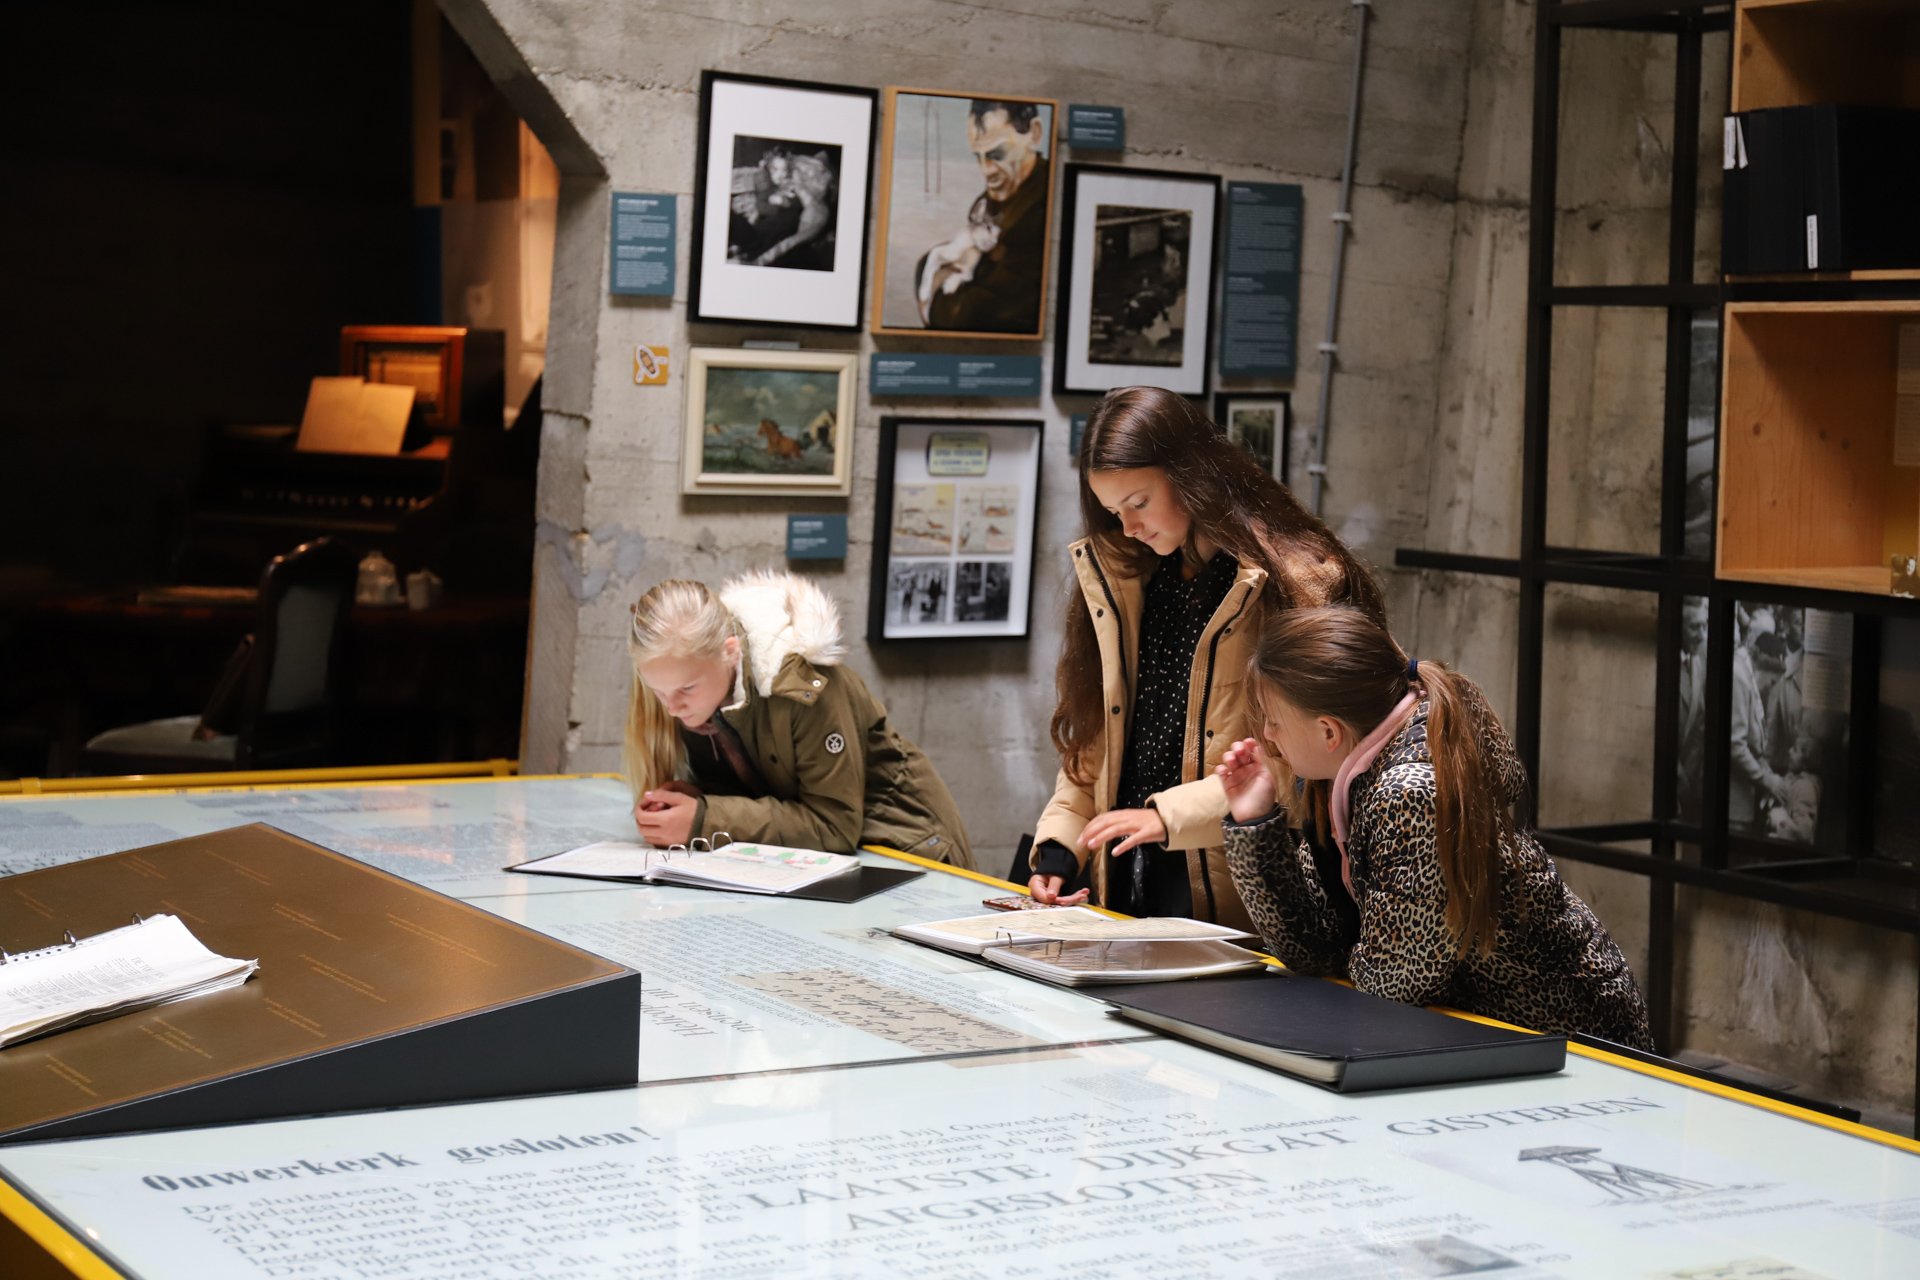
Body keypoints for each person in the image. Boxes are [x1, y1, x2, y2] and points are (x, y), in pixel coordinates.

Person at [1214, 605, 1653, 1048]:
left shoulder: (1409, 794)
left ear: (1329, 732)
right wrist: (1256, 826)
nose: (1268, 735)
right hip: (1491, 1038)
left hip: (1571, 1044)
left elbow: (1394, 984)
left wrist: (1348, 956)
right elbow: (1313, 949)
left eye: (1274, 721)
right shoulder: (1342, 778)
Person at [1028, 386, 1384, 926]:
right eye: (1112, 511)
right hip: (1126, 878)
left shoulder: (1294, 584)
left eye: (1138, 503)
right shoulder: (1125, 575)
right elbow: (1099, 738)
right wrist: (1061, 846)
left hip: (1242, 894)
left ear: (1191, 474)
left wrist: (1167, 816)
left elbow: (1318, 755)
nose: (1128, 527)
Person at [623, 569, 973, 866]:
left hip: (914, 854)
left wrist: (705, 819)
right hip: (832, 865)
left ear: (729, 652)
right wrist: (699, 798)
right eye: (658, 692)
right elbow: (771, 789)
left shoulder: (805, 688)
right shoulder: (695, 686)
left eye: (685, 689)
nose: (672, 707)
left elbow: (834, 825)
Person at [914, 99, 1051, 332]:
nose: (986, 171)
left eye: (998, 154)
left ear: (1034, 133)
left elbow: (963, 317)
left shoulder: (1039, 210)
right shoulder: (990, 201)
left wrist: (936, 281)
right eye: (979, 157)